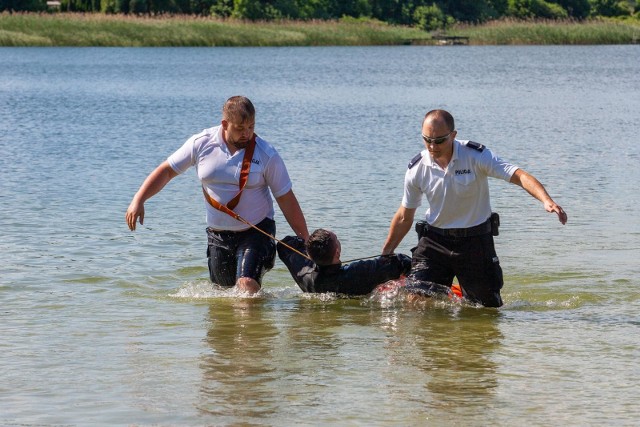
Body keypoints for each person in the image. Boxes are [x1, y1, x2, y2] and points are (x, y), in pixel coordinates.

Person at [381, 109, 567, 307]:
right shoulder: (416, 168)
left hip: (475, 243)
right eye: (427, 140)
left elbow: (519, 175)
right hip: (434, 242)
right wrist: (386, 253)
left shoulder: (476, 155)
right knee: (414, 299)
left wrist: (546, 200)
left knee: (487, 309)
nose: (432, 146)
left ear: (453, 135)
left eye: (440, 140)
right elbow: (404, 216)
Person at [126, 96, 309, 294]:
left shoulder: (266, 154)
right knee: (222, 297)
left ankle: (252, 320)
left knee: (246, 286)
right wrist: (139, 199)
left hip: (257, 232)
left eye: (251, 127)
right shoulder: (202, 143)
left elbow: (285, 198)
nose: (247, 134)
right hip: (218, 236)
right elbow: (167, 170)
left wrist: (306, 241)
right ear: (225, 124)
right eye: (240, 128)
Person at [277, 228, 411, 296]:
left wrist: (309, 250)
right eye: (337, 239)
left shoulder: (305, 275)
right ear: (337, 252)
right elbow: (401, 263)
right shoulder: (355, 273)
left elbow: (284, 245)